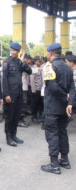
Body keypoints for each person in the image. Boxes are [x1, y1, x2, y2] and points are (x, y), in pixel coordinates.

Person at [41, 43, 75, 175]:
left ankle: (54, 164)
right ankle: (64, 160)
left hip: (52, 108)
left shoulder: (49, 66)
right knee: (62, 132)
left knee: (52, 134)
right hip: (65, 109)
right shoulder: (68, 67)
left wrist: (65, 98)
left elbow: (53, 88)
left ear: (50, 53)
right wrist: (70, 102)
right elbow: (73, 88)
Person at [2, 43, 32, 147]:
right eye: (12, 50)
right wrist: (6, 94)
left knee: (16, 116)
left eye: (16, 50)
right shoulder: (6, 62)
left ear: (18, 52)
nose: (14, 52)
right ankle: (8, 137)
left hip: (19, 93)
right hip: (10, 94)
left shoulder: (19, 62)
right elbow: (4, 79)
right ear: (11, 50)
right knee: (10, 116)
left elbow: (29, 71)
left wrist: (23, 63)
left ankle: (14, 135)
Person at [30, 57, 43, 124]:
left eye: (40, 61)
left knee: (40, 103)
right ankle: (34, 117)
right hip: (35, 90)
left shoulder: (41, 68)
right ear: (36, 62)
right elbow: (32, 80)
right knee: (34, 104)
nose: (40, 62)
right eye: (39, 61)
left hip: (40, 89)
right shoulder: (33, 69)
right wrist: (33, 90)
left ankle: (39, 116)